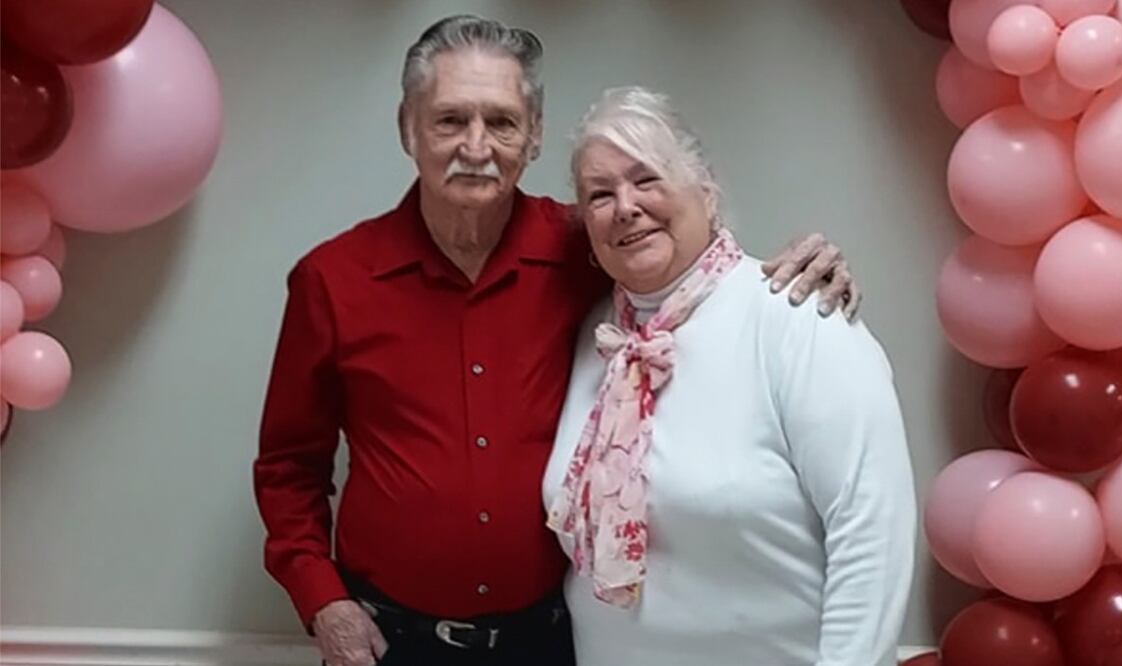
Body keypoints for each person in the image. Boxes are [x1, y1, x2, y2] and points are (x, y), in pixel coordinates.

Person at [254, 16, 863, 666]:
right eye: (450, 120)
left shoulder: (587, 247)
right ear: (408, 127)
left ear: (535, 134)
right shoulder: (333, 280)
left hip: (550, 639)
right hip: (387, 640)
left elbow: (690, 273)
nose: (477, 145)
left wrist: (799, 269)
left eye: (502, 121)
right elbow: (288, 467)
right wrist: (322, 600)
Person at [543, 86, 916, 666]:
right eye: (599, 194)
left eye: (647, 179)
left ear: (706, 187)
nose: (625, 206)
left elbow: (872, 532)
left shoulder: (796, 316)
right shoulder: (594, 335)